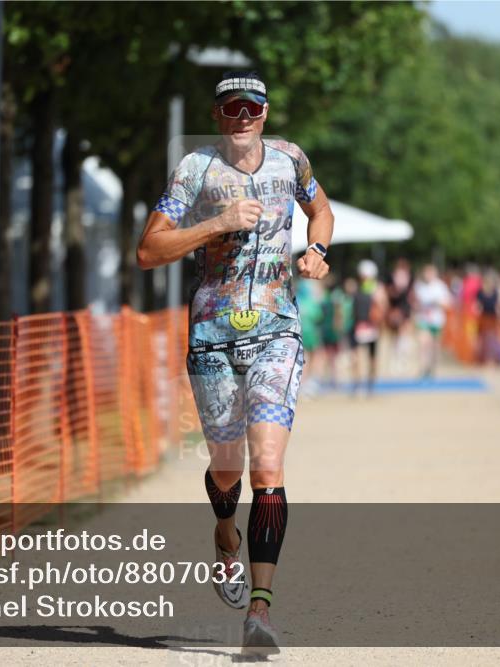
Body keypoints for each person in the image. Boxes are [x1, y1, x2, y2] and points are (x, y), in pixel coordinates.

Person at [136, 70, 334, 655]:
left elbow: (321, 210)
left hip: (277, 330)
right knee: (227, 469)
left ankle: (260, 611)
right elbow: (149, 250)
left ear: (265, 113)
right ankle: (225, 532)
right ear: (217, 116)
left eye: (251, 108)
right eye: (231, 109)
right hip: (212, 337)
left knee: (267, 465)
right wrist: (216, 224)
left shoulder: (290, 159)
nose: (242, 117)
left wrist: (317, 249)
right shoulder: (194, 170)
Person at [350, 260, 387, 395]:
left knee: (370, 357)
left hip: (370, 325)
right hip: (360, 325)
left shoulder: (376, 289)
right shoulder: (359, 288)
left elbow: (382, 308)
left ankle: (369, 384)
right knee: (358, 356)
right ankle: (360, 383)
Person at [414, 264, 452, 378]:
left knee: (435, 346)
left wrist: (437, 303)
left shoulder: (441, 286)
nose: (428, 275)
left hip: (437, 321)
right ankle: (423, 368)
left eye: (430, 273)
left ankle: (432, 369)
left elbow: (448, 303)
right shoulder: (419, 286)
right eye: (426, 273)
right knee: (423, 344)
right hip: (423, 320)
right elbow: (415, 302)